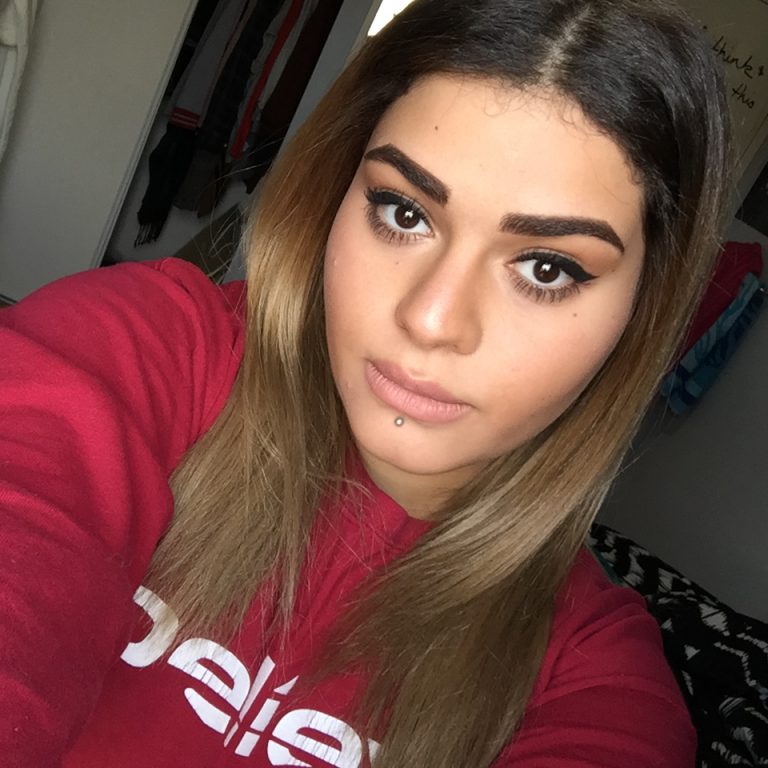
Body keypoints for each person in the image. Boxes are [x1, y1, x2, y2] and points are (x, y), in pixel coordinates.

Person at [0, 0, 732, 765]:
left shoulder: (594, 681)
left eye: (547, 268)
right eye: (404, 212)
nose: (431, 318)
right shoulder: (152, 347)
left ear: (641, 312)